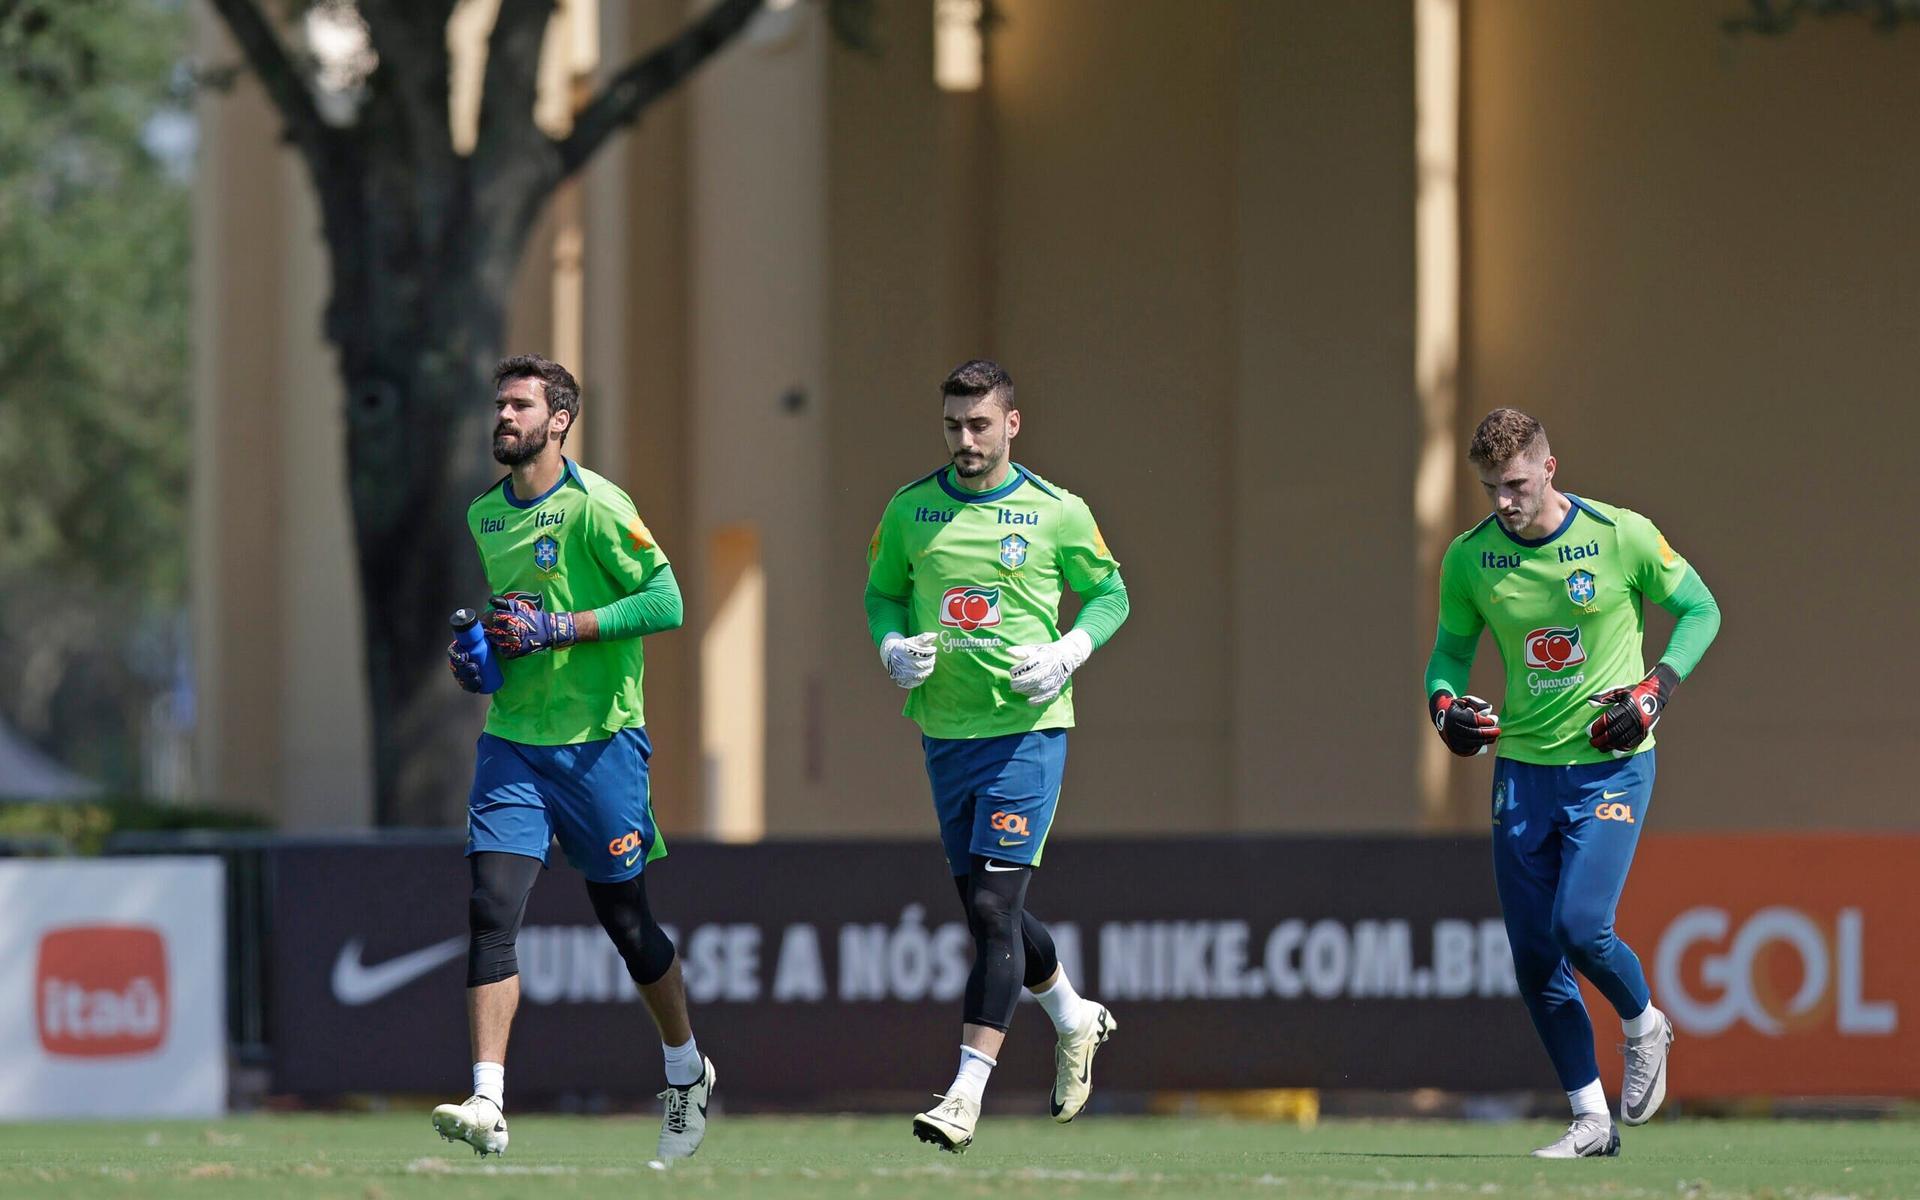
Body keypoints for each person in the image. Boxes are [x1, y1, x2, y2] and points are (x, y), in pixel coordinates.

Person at [434, 354, 713, 1162]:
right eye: (499, 405)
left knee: (629, 926)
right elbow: (510, 627)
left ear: (560, 420)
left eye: (519, 406)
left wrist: (561, 629)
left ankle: (686, 1070)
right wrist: (480, 657)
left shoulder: (596, 506)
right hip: (514, 743)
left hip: (601, 748)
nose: (504, 417)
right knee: (492, 911)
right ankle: (489, 1099)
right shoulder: (486, 514)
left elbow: (667, 601)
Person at [1425, 408, 1721, 1158]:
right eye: (1490, 487)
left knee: (1580, 928)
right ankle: (1591, 1119)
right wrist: (1443, 710)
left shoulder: (1620, 534)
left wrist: (1653, 691)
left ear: (1549, 469)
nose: (1503, 501)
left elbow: (1699, 609)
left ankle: (1644, 1021)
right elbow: (1448, 658)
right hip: (1522, 771)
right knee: (1532, 955)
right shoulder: (1469, 559)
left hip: (1611, 764)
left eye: (1516, 484)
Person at [864, 359, 1131, 1153]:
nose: (965, 440)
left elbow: (1112, 592)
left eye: (980, 425)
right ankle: (1075, 1016)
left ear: (1013, 423)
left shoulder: (1057, 512)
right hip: (946, 736)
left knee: (991, 913)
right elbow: (881, 592)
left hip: (1029, 730)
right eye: (953, 425)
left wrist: (1069, 650)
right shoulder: (911, 509)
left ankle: (964, 1096)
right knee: (989, 910)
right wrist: (890, 647)